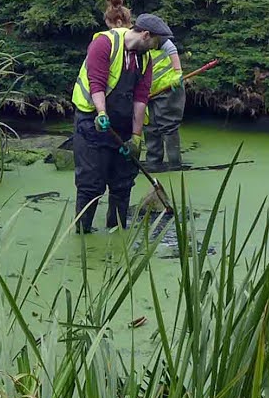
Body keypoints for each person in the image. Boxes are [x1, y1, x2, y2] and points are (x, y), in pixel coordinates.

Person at [69, 12, 161, 233]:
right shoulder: (104, 44)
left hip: (123, 126)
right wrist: (101, 112)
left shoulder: (145, 58)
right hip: (92, 122)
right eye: (155, 43)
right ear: (145, 35)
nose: (155, 49)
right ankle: (83, 231)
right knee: (91, 184)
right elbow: (96, 83)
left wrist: (136, 136)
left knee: (122, 183)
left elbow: (141, 97)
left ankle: (117, 229)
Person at [137, 13, 186, 176]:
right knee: (150, 126)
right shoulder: (138, 44)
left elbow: (172, 52)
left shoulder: (163, 42)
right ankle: (153, 162)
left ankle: (174, 163)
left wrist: (178, 73)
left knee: (168, 125)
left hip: (168, 89)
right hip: (148, 92)